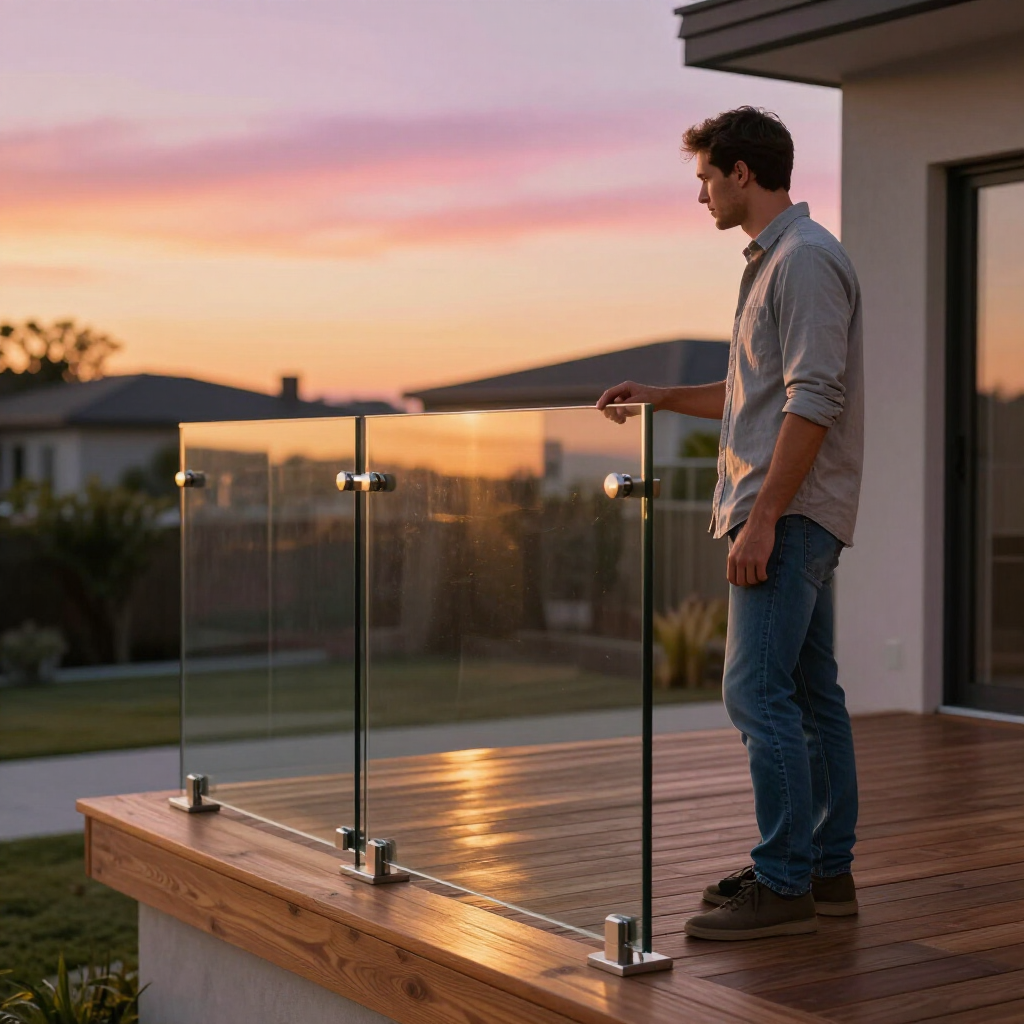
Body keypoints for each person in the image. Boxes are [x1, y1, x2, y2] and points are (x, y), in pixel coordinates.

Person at [597, 106, 863, 941]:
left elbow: (814, 399)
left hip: (785, 514)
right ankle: (823, 876)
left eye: (707, 178)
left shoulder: (806, 262)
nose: (702, 194)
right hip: (788, 512)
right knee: (812, 697)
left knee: (755, 692)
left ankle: (785, 882)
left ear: (742, 173)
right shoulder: (778, 262)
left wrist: (765, 520)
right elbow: (755, 394)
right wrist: (661, 398)